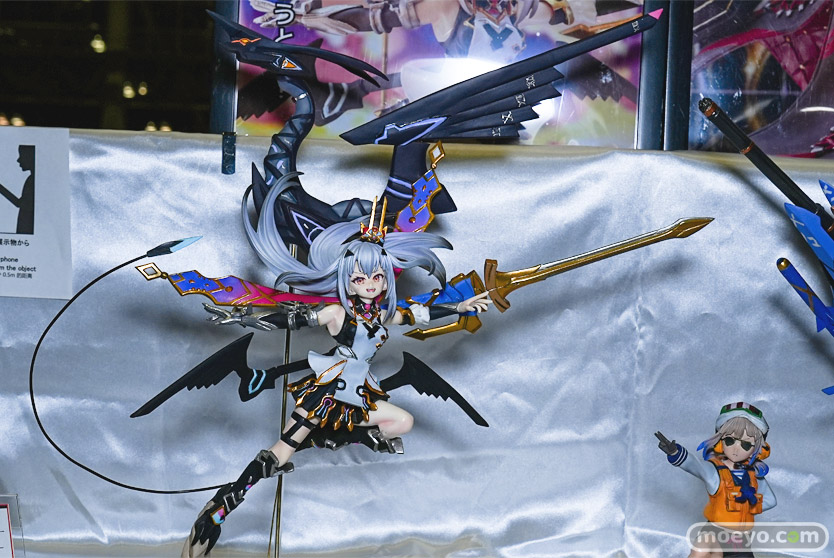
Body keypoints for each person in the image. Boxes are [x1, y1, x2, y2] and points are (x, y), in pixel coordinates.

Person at [182, 180, 490, 557]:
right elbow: (289, 320)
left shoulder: (383, 313)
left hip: (358, 393)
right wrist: (243, 317)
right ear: (348, 279)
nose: (370, 284)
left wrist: (458, 308)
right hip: (327, 392)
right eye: (360, 278)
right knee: (279, 454)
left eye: (377, 277)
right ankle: (219, 509)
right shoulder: (335, 313)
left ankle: (334, 437)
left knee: (401, 423)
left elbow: (418, 314)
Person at [655, 403, 776, 558]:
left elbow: (770, 501)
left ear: (757, 448)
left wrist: (748, 505)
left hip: (739, 538)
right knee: (701, 553)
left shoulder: (754, 476)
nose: (736, 448)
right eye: (730, 441)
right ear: (720, 441)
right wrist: (676, 453)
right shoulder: (715, 471)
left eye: (746, 444)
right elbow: (696, 466)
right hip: (714, 531)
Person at [0, 145, 35, 234]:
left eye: (22, 155)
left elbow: (21, 204)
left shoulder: (33, 180)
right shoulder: (32, 179)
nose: (18, 160)